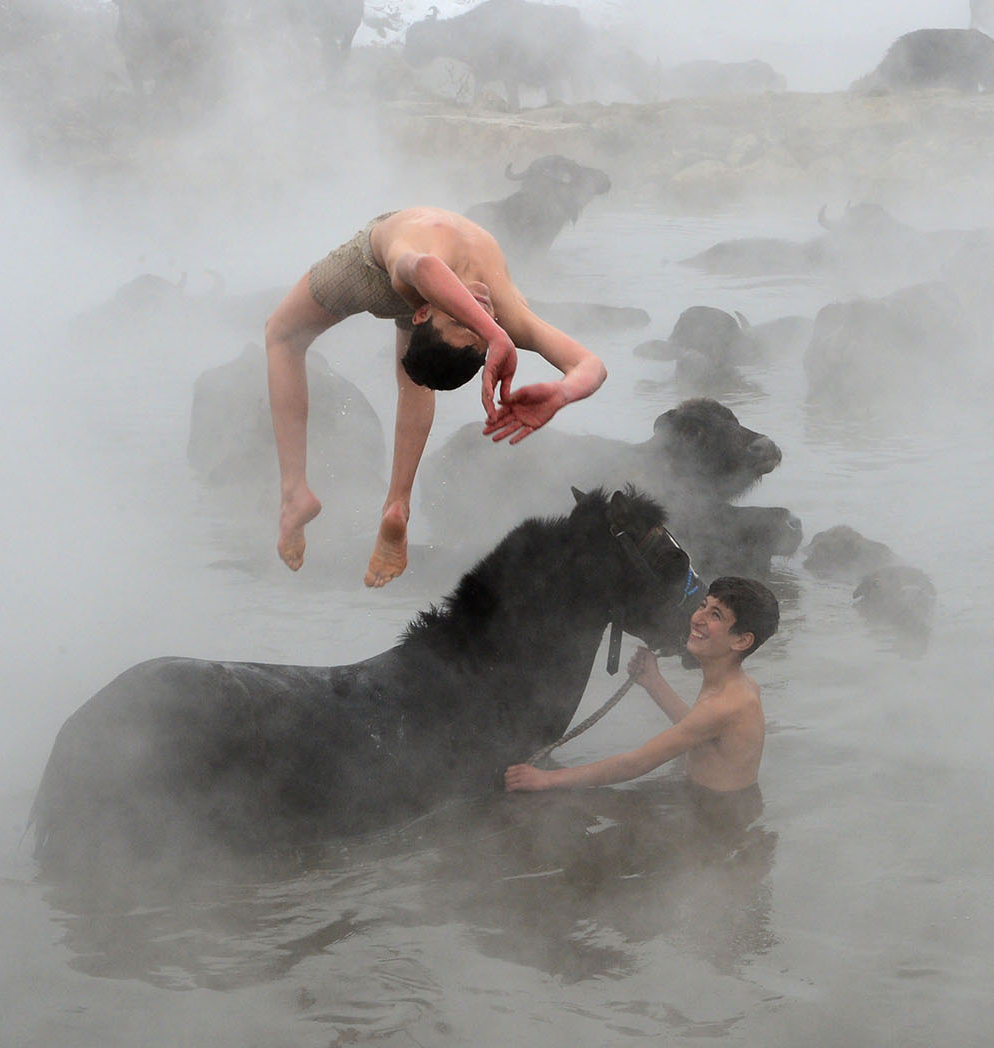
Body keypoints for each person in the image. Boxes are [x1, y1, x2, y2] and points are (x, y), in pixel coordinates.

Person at [265, 206, 608, 587]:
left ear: (422, 313)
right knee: (410, 372)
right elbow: (591, 364)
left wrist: (562, 393)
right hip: (400, 279)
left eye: (466, 321)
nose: (479, 310)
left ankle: (298, 493)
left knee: (281, 335)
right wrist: (496, 332)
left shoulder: (433, 289)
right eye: (473, 324)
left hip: (379, 273)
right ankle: (395, 503)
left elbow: (426, 268)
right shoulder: (502, 315)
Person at [504, 577, 778, 815]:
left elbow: (636, 763)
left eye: (716, 615)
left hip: (715, 815)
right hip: (725, 801)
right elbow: (700, 734)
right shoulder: (736, 686)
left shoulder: (725, 705)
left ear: (741, 640)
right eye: (702, 605)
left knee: (574, 806)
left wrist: (546, 779)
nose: (698, 618)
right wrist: (654, 682)